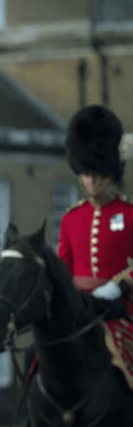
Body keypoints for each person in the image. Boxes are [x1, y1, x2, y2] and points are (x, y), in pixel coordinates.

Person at [59, 105, 133, 311]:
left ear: (110, 172)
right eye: (86, 173)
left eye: (96, 173)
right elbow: (63, 272)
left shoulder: (129, 214)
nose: (91, 180)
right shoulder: (71, 218)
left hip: (120, 308)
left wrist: (118, 287)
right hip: (79, 309)